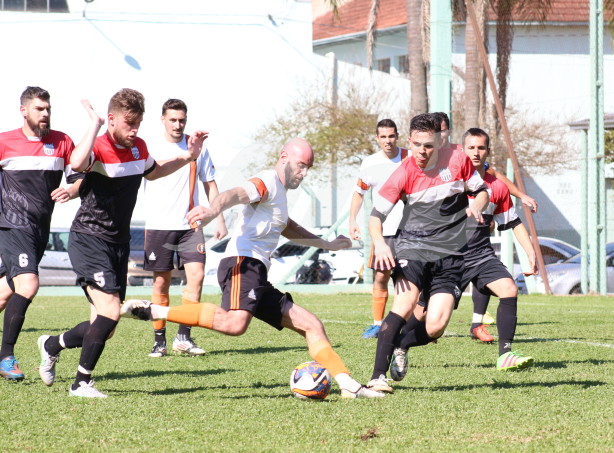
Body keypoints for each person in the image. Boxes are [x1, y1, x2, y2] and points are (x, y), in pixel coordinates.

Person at [121, 138, 384, 399]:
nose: (303, 173)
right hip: (241, 264)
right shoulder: (267, 181)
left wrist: (327, 244)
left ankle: (348, 384)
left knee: (312, 325)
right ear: (284, 158)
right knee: (235, 324)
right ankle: (152, 310)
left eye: (308, 168)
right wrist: (212, 211)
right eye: (301, 165)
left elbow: (288, 227)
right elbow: (234, 194)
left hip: (257, 273)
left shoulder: (279, 194)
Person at [36, 88, 207, 397]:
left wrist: (186, 156)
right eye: (129, 123)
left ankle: (51, 344)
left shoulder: (139, 147)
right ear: (112, 120)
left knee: (107, 326)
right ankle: (81, 383)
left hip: (118, 244)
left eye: (138, 123)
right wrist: (95, 124)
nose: (135, 130)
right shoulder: (99, 147)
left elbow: (153, 173)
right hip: (89, 239)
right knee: (111, 310)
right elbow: (75, 161)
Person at [389, 128, 537, 384]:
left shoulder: (497, 188)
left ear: (488, 152)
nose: (476, 153)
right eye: (471, 148)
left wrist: (531, 253)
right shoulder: (447, 181)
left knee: (509, 289)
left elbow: (512, 223)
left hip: (480, 256)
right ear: (462, 150)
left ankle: (505, 354)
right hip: (448, 259)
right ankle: (401, 344)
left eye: (481, 148)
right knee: (426, 319)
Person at [364, 113, 489, 393]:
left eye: (429, 145)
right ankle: (377, 376)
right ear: (410, 141)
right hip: (414, 247)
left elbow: (482, 191)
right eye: (417, 144)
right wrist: (381, 243)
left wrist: (477, 205)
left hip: (451, 255)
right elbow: (375, 218)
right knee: (405, 304)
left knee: (436, 326)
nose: (422, 151)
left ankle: (402, 344)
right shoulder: (403, 172)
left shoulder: (458, 161)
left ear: (439, 142)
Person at [0, 86, 102, 381]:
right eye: (39, 109)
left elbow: (81, 174)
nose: (45, 114)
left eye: (48, 109)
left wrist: (72, 188)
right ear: (24, 110)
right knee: (29, 284)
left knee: (6, 293)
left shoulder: (61, 142)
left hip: (39, 230)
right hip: (11, 225)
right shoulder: (5, 142)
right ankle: (6, 356)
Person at [143, 99, 227, 358]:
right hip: (158, 225)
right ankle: (159, 341)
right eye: (173, 120)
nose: (178, 125)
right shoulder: (150, 147)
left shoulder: (197, 146)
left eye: (182, 120)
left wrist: (219, 217)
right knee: (160, 284)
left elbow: (209, 183)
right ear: (162, 119)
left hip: (191, 225)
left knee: (197, 277)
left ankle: (184, 337)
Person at [348, 119, 409, 339]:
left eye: (391, 136)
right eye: (383, 137)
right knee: (381, 277)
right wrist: (352, 220)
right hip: (382, 231)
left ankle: (410, 324)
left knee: (410, 277)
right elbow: (359, 192)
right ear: (377, 138)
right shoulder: (369, 163)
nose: (388, 141)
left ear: (397, 136)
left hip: (410, 230)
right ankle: (377, 324)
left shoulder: (409, 157)